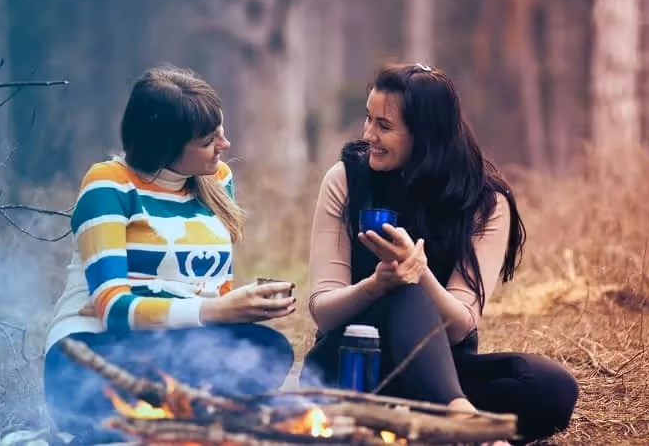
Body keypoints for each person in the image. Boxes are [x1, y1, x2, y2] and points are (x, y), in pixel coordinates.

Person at [301, 63, 578, 445]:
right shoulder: (346, 180)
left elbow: (461, 325)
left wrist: (422, 274)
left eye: (384, 126)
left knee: (551, 386)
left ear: (425, 135)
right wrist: (376, 285)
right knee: (402, 287)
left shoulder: (485, 202)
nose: (369, 135)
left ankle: (428, 422)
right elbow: (324, 310)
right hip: (351, 368)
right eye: (368, 119)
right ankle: (462, 423)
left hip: (437, 371)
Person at [43, 66, 296, 442]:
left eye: (221, 130)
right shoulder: (109, 184)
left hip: (177, 347)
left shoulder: (218, 179)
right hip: (93, 352)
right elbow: (113, 310)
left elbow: (213, 289)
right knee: (151, 371)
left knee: (268, 348)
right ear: (165, 145)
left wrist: (241, 308)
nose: (224, 144)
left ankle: (173, 422)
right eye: (209, 139)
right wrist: (215, 311)